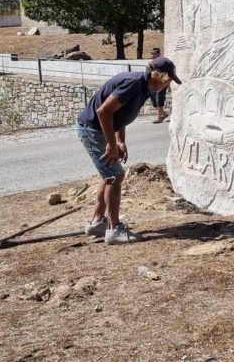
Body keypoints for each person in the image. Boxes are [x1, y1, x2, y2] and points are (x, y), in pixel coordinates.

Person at [76, 57, 182, 244]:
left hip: (98, 130)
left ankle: (96, 223)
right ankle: (114, 230)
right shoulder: (134, 84)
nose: (169, 85)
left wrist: (120, 141)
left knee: (108, 175)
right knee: (115, 176)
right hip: (92, 130)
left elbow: (119, 114)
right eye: (169, 80)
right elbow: (104, 112)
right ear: (160, 76)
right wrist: (111, 143)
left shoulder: (145, 88)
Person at [149, 48, 170, 124]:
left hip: (161, 85)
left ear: (158, 54)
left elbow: (168, 74)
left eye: (154, 54)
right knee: (154, 103)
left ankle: (159, 118)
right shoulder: (151, 63)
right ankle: (164, 114)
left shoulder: (163, 63)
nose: (152, 56)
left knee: (159, 101)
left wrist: (168, 85)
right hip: (152, 85)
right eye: (152, 54)